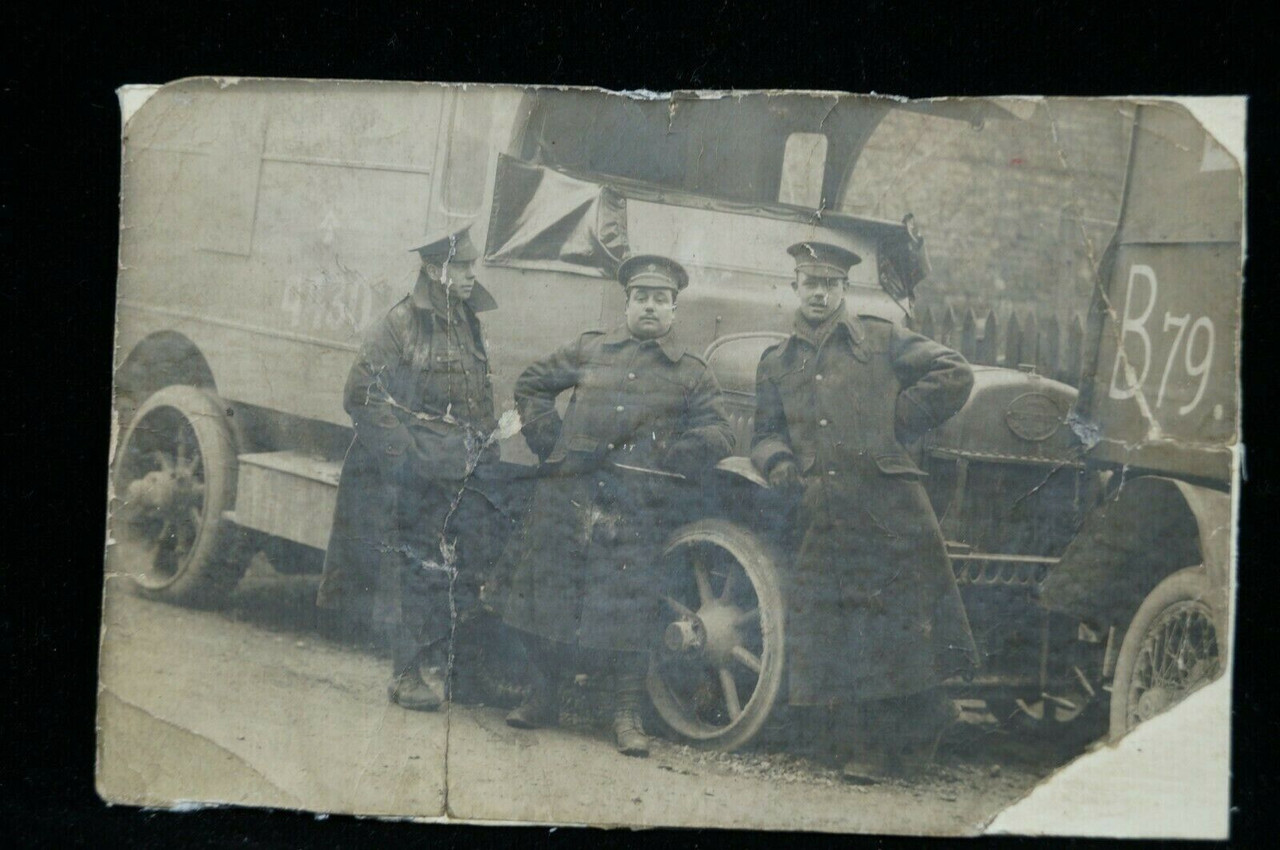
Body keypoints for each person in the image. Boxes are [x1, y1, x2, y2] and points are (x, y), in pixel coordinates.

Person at [751, 240, 978, 782]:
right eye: (810, 283)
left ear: (844, 291)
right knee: (831, 626)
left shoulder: (881, 339)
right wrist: (780, 462)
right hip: (822, 513)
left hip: (888, 509)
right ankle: (875, 737)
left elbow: (954, 371)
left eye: (830, 285)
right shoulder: (777, 362)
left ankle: (886, 746)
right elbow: (763, 433)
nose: (819, 293)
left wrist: (897, 423)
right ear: (795, 288)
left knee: (892, 628)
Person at [500, 255, 734, 757]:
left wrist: (677, 456)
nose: (650, 307)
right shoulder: (590, 348)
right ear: (627, 303)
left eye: (660, 300)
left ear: (674, 310)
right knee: (552, 594)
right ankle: (544, 696)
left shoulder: (692, 373)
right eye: (641, 298)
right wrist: (551, 441)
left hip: (638, 504)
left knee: (627, 605)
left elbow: (719, 432)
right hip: (569, 494)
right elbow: (532, 385)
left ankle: (625, 714)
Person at [316, 225, 506, 712]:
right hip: (418, 473)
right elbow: (360, 394)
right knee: (416, 571)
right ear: (432, 269)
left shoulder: (468, 319)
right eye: (461, 267)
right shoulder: (400, 323)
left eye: (470, 266)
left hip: (463, 471)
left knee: (468, 567)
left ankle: (463, 677)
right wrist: (405, 458)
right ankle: (406, 676)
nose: (469, 276)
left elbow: (478, 392)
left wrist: (487, 452)